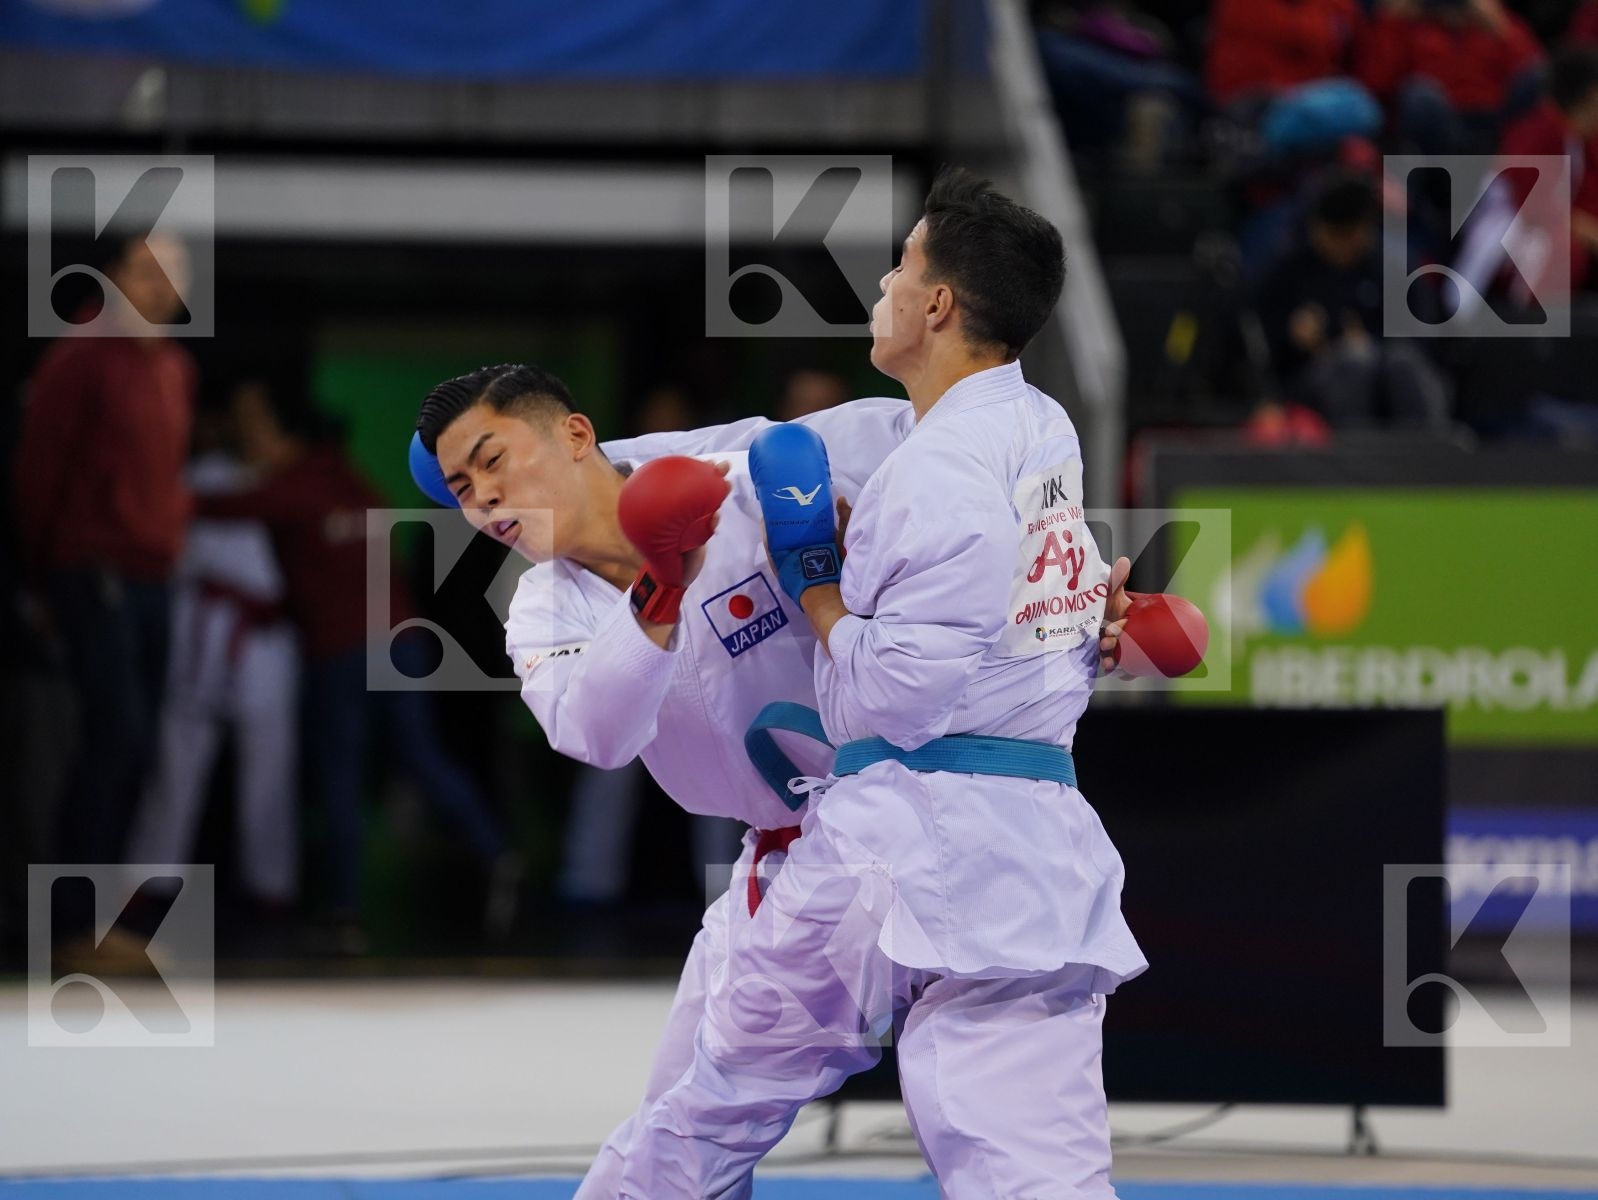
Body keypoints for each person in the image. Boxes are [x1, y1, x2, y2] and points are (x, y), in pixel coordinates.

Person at [410, 363, 1138, 1196]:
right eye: (463, 488)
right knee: (682, 1133)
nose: (485, 501)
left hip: (908, 819)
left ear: (576, 435)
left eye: (494, 461)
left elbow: (957, 470)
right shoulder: (545, 606)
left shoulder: (751, 475)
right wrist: (660, 589)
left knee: (969, 1119)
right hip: (787, 867)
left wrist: (1070, 594)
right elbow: (593, 732)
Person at [621, 170, 1146, 1197]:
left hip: (898, 842)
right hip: (1025, 852)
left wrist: (814, 582)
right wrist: (1080, 622)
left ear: (938, 305)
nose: (883, 284)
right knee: (1032, 1163)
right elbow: (1011, 599)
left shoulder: (935, 465)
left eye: (899, 267)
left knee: (707, 1107)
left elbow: (892, 697)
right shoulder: (1041, 429)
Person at [199, 382, 518, 950]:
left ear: (289, 437)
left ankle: (345, 911)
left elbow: (215, 508)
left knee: (342, 776)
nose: (254, 445)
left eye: (262, 432)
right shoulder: (356, 484)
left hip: (344, 651)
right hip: (404, 641)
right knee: (421, 756)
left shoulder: (289, 487)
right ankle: (497, 851)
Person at [14, 233, 196, 909]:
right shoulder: (81, 355)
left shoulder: (174, 367)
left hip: (154, 575)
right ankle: (67, 920)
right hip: (93, 570)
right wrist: (41, 582)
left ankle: (97, 916)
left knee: (140, 744)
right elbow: (38, 473)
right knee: (114, 734)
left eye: (173, 273)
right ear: (116, 275)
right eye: (147, 270)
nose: (161, 285)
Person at [124, 404, 301, 910]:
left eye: (257, 419)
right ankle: (150, 879)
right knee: (177, 761)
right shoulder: (195, 480)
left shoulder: (284, 483)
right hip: (202, 628)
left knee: (269, 765)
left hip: (267, 638)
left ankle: (272, 884)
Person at [1255, 172, 1452, 428]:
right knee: (1354, 364)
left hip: (1389, 367)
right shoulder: (1290, 271)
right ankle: (1355, 462)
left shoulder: (1396, 269)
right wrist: (1293, 336)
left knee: (1401, 365)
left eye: (1350, 234)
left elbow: (1425, 340)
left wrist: (1370, 342)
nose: (1341, 246)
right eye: (1333, 234)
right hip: (1316, 377)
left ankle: (1429, 456)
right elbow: (1260, 339)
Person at [1357, 0, 1545, 155]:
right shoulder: (1407, 25)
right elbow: (1377, 82)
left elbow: (1531, 71)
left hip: (1495, 123)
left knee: (1540, 76)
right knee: (1420, 96)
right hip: (1436, 129)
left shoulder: (1495, 23)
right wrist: (1393, 20)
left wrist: (1500, 27)